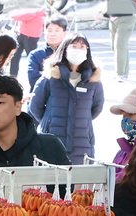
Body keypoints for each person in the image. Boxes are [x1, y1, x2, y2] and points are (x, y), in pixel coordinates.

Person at [29, 35, 104, 165]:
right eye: (74, 46)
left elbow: (96, 108)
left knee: (79, 181)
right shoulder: (51, 76)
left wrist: (81, 119)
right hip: (51, 139)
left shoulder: (93, 80)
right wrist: (49, 121)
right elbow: (35, 105)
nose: (78, 50)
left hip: (82, 143)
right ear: (65, 49)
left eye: (82, 47)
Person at [25, 15, 68, 90]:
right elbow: (33, 80)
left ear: (65, 33)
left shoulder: (70, 53)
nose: (52, 34)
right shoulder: (35, 55)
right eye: (49, 30)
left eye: (57, 30)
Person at [106, 0, 136, 79]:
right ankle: (124, 73)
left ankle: (120, 74)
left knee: (120, 45)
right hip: (113, 18)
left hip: (127, 17)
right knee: (117, 47)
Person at [9, 6, 47, 79]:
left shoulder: (32, 14)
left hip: (27, 37)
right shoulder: (35, 14)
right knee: (31, 59)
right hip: (27, 37)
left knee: (18, 58)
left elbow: (14, 16)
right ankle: (36, 76)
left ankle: (13, 77)